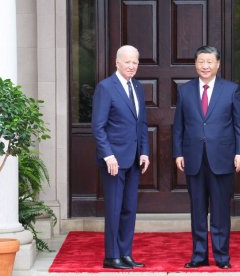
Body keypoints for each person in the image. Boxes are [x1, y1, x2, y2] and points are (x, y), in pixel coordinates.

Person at [173, 45, 240, 269]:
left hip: (222, 158)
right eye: (201, 62)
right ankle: (199, 255)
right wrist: (178, 151)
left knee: (220, 210)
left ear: (218, 64)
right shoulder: (185, 90)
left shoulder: (231, 89)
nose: (205, 66)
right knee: (197, 210)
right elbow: (179, 125)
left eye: (209, 62)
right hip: (194, 158)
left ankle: (222, 256)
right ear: (195, 64)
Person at [91, 45, 150, 269]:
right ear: (117, 63)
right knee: (114, 208)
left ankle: (125, 253)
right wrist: (108, 156)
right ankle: (111, 255)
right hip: (113, 161)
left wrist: (144, 151)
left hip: (134, 159)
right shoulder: (106, 87)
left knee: (129, 209)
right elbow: (98, 127)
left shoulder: (137, 86)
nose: (132, 66)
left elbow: (141, 123)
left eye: (135, 62)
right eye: (128, 62)